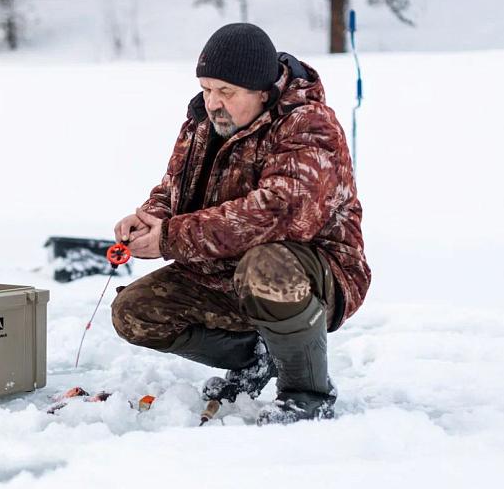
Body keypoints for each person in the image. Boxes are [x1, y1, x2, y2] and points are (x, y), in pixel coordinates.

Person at [110, 23, 370, 424]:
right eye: (206, 89)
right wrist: (151, 219)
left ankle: (307, 392)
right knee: (135, 311)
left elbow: (278, 214)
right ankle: (259, 358)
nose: (213, 102)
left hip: (312, 273)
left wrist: (170, 238)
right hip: (225, 269)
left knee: (265, 266)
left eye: (226, 92)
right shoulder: (201, 122)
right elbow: (173, 187)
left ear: (262, 91)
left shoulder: (309, 125)